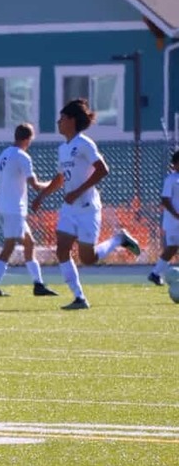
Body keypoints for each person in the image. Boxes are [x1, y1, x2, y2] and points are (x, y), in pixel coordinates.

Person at [31, 98, 141, 309]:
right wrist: (42, 195)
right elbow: (61, 178)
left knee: (88, 258)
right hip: (69, 209)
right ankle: (79, 297)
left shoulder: (84, 143)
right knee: (61, 250)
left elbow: (103, 169)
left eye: (62, 118)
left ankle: (119, 239)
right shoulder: (63, 148)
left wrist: (78, 191)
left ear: (72, 120)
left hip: (88, 208)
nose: (58, 122)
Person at [0, 122, 57, 297]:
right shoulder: (22, 156)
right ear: (27, 139)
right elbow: (35, 185)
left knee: (29, 243)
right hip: (13, 209)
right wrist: (54, 184)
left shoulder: (5, 154)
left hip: (6, 207)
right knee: (9, 247)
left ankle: (38, 285)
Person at [148, 149, 179, 285]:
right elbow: (165, 199)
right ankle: (155, 273)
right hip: (173, 221)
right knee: (172, 247)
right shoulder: (171, 179)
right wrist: (176, 214)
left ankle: (155, 273)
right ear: (175, 164)